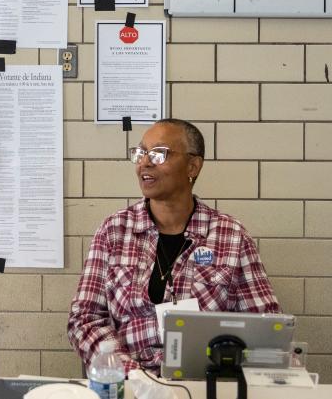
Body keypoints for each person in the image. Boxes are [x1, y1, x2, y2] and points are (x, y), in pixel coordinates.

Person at [67, 118, 280, 374]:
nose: (144, 162)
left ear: (193, 166)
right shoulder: (114, 231)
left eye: (158, 154)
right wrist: (131, 373)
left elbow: (265, 324)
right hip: (129, 383)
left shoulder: (231, 236)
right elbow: (85, 318)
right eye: (141, 153)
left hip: (203, 380)